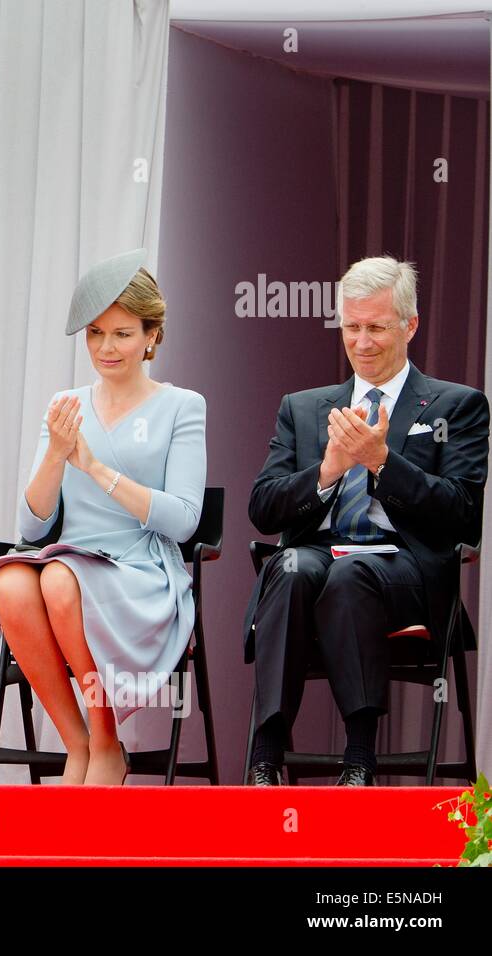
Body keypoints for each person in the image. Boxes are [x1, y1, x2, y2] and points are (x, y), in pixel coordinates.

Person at [244, 256, 488, 786]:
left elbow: (464, 517)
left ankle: (359, 761)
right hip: (316, 560)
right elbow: (263, 508)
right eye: (352, 327)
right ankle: (264, 758)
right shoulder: (305, 408)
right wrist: (328, 470)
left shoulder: (456, 406)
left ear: (410, 325)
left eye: (377, 327)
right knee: (287, 568)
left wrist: (382, 463)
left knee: (352, 575)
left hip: (406, 571)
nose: (363, 342)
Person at [0, 249, 206, 786]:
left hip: (141, 571)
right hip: (70, 557)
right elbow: (34, 528)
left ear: (152, 335)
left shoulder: (182, 406)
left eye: (123, 334)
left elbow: (183, 521)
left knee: (61, 580)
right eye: (95, 333)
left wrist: (96, 467)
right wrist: (56, 457)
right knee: (11, 583)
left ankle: (107, 739)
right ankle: (77, 741)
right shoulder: (66, 403)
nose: (106, 348)